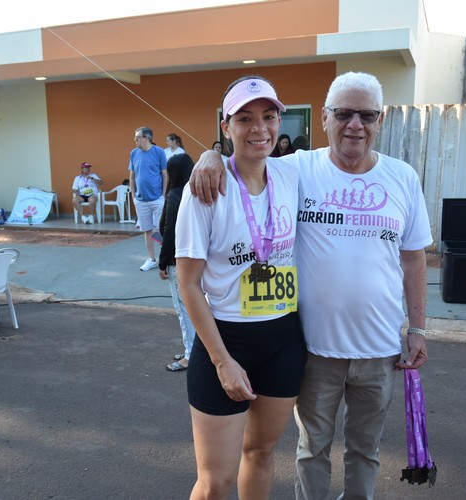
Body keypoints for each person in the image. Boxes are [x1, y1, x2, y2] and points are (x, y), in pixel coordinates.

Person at [190, 71, 432, 499]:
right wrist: (208, 157)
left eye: (367, 115)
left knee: (360, 450)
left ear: (381, 120)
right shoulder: (300, 168)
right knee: (306, 451)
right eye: (343, 113)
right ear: (324, 118)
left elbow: (414, 259)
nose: (355, 124)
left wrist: (418, 328)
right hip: (314, 347)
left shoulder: (402, 178)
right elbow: (244, 155)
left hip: (374, 350)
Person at [176, 76, 306, 499]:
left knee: (262, 454)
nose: (259, 128)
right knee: (216, 482)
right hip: (226, 339)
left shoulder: (292, 174)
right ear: (226, 124)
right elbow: (189, 285)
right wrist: (222, 361)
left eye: (268, 117)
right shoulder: (206, 191)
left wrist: (209, 152)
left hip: (284, 338)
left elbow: (348, 152)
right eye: (245, 118)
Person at [158, 153, 197, 372]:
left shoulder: (175, 194)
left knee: (183, 309)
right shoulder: (195, 192)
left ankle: (190, 355)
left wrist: (163, 263)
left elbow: (169, 231)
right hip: (195, 260)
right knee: (195, 307)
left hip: (177, 261)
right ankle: (193, 349)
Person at [129, 127, 168, 271]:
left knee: (161, 229)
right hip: (140, 200)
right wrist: (134, 196)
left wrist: (163, 195)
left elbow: (165, 175)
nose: (135, 140)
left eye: (137, 137)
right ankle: (151, 259)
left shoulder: (159, 152)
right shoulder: (133, 153)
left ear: (146, 138)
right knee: (147, 230)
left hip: (157, 198)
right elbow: (132, 177)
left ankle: (166, 256)